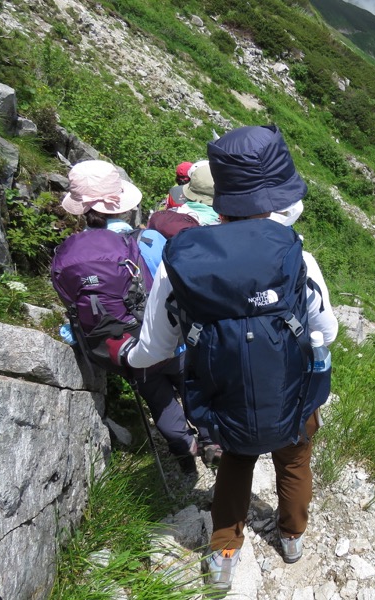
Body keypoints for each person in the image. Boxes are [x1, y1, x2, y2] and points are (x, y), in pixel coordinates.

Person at [108, 125, 338, 593]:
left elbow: (155, 347)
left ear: (221, 200)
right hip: (292, 396)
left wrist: (130, 355)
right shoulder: (298, 256)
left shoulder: (185, 261)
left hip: (223, 395)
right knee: (294, 460)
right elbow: (325, 331)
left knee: (236, 463)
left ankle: (223, 554)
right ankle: (291, 539)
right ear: (276, 196)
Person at [60, 159, 221, 473]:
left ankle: (183, 451)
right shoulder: (148, 240)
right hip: (168, 340)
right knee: (190, 386)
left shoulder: (67, 254)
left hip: (120, 350)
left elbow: (73, 307)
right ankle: (210, 440)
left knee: (158, 400)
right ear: (122, 206)